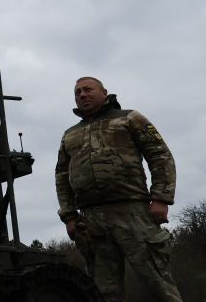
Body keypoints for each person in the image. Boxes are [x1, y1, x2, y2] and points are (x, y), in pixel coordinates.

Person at [55, 76, 182, 302]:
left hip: (133, 211)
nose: (82, 95)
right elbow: (62, 177)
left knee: (158, 282)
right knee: (103, 292)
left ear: (104, 93)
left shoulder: (129, 118)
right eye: (77, 92)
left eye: (87, 90)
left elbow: (160, 155)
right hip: (92, 221)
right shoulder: (70, 134)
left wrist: (161, 198)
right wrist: (69, 216)